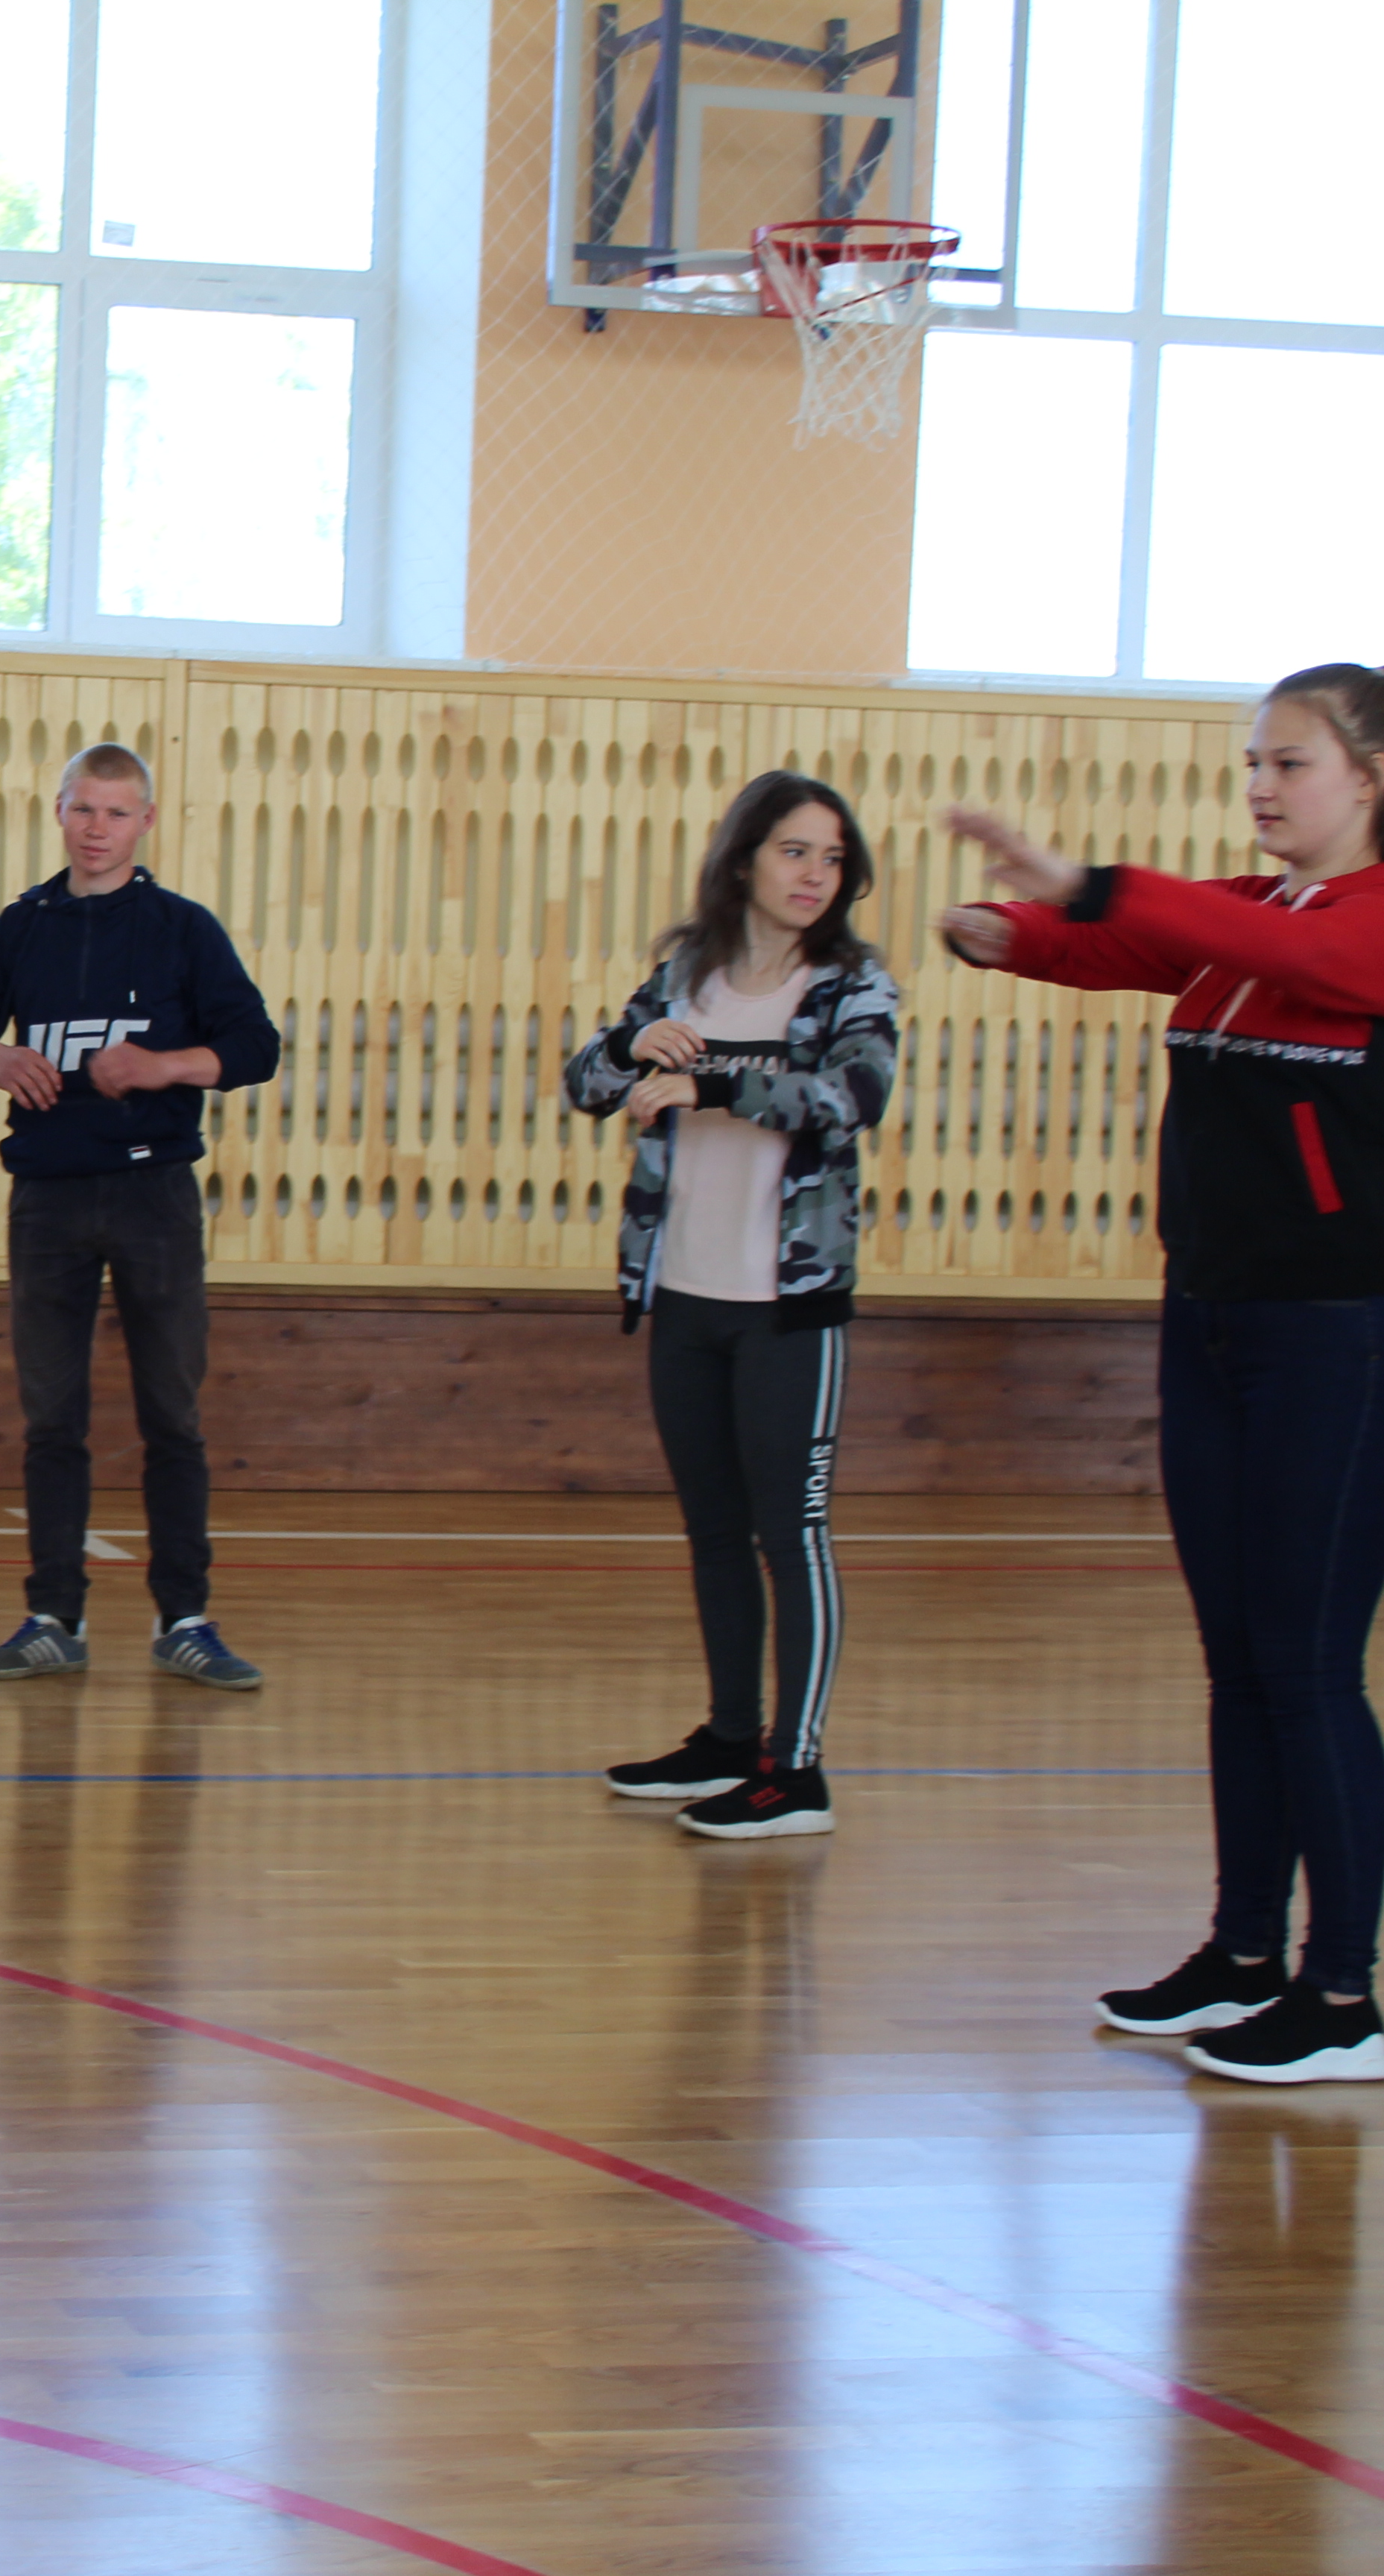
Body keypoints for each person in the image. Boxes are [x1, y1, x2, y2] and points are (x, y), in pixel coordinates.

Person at [942, 661, 1384, 2085]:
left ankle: (1340, 1992)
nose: (1258, 785)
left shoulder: (1358, 927)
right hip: (1207, 1318)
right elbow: (1136, 945)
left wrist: (1078, 885)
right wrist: (1006, 931)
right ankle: (1240, 1951)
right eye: (1250, 761)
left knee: (1306, 1664)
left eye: (1288, 763)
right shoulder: (1256, 916)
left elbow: (1183, 923)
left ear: (1369, 779)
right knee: (1237, 1656)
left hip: (1335, 1336)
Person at [567, 772, 899, 1842]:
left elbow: (852, 1097)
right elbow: (585, 1081)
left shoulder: (852, 985)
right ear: (745, 857)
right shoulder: (687, 977)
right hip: (685, 1296)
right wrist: (631, 1050)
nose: (816, 874)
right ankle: (729, 1737)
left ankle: (796, 1772)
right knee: (713, 1530)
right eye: (796, 851)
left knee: (790, 1533)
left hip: (787, 1306)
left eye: (833, 858)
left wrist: (712, 1085)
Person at [0, 743, 280, 1688]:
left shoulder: (182, 928)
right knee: (53, 1417)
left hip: (153, 1196)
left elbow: (256, 1046)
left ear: (146, 823)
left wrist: (163, 1067)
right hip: (47, 1199)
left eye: (117, 813)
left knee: (173, 1414)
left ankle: (185, 1618)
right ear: (59, 811)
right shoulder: (23, 926)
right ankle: (54, 1616)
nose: (97, 829)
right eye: (83, 809)